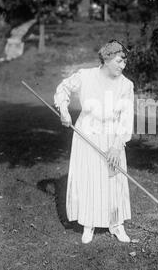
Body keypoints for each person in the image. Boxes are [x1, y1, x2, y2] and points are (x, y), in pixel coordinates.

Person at [54, 40, 134, 244]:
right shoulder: (85, 76)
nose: (122, 66)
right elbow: (63, 89)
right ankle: (88, 224)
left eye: (124, 62)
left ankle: (116, 225)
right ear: (107, 59)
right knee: (88, 179)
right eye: (119, 61)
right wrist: (63, 110)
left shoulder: (126, 85)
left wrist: (117, 146)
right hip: (86, 134)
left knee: (113, 179)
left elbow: (126, 118)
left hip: (112, 136)